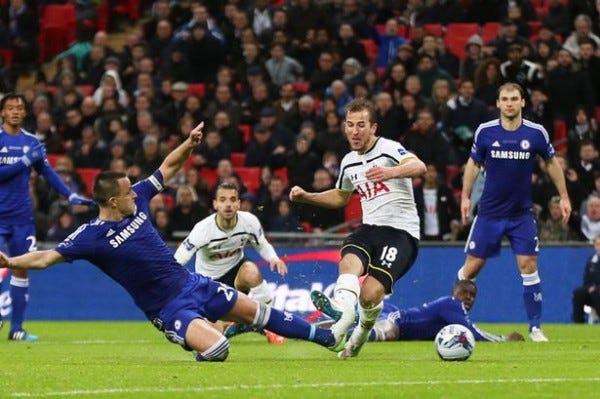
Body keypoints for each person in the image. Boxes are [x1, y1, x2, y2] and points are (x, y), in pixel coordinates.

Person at [0, 121, 343, 362]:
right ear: (112, 202)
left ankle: (325, 338)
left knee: (259, 312)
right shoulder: (90, 238)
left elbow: (167, 166)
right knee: (217, 350)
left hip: (194, 284)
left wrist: (189, 144)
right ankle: (193, 336)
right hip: (167, 308)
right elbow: (46, 257)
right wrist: (11, 262)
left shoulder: (138, 198)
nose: (134, 191)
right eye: (126, 191)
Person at [289, 98, 427, 358]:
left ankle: (360, 332)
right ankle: (342, 310)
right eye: (350, 125)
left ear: (373, 127)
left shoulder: (388, 149)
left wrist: (390, 173)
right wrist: (308, 196)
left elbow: (419, 166)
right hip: (370, 229)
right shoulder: (349, 161)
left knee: (369, 295)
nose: (355, 131)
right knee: (349, 259)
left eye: (361, 125)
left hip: (401, 233)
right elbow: (341, 196)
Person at [457, 82, 572, 342]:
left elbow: (551, 163)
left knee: (528, 265)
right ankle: (456, 316)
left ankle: (535, 328)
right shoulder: (485, 132)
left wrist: (564, 195)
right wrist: (465, 196)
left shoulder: (536, 133)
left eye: (514, 99)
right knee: (471, 269)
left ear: (522, 102)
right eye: (505, 99)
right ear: (498, 103)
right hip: (489, 213)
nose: (509, 103)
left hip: (521, 214)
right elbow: (473, 164)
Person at [0, 93, 94, 341]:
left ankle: (17, 329)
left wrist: (70, 196)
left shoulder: (31, 142)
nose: (16, 112)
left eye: (20, 108)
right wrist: (23, 162)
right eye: (10, 108)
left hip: (22, 217)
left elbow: (48, 173)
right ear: (2, 113)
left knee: (22, 268)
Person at [173, 182, 288, 343]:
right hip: (209, 282)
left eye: (233, 199)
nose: (228, 204)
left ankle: (270, 327)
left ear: (238, 204)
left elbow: (261, 244)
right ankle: (237, 323)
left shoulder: (249, 221)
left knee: (251, 271)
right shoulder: (203, 229)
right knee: (216, 340)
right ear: (215, 204)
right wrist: (169, 279)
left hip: (237, 273)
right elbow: (181, 256)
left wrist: (274, 258)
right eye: (223, 199)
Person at [312, 280, 524, 342]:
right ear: (454, 292)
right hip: (398, 319)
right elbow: (470, 331)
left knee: (362, 324)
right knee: (389, 333)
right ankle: (334, 322)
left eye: (472, 296)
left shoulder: (451, 307)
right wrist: (502, 339)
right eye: (464, 293)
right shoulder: (451, 304)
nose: (468, 298)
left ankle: (318, 326)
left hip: (395, 315)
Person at [572, 235, 600, 323]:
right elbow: (587, 280)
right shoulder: (591, 261)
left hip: (597, 292)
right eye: (598, 244)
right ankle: (578, 323)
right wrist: (589, 287)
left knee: (596, 292)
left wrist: (596, 288)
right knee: (578, 293)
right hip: (593, 292)